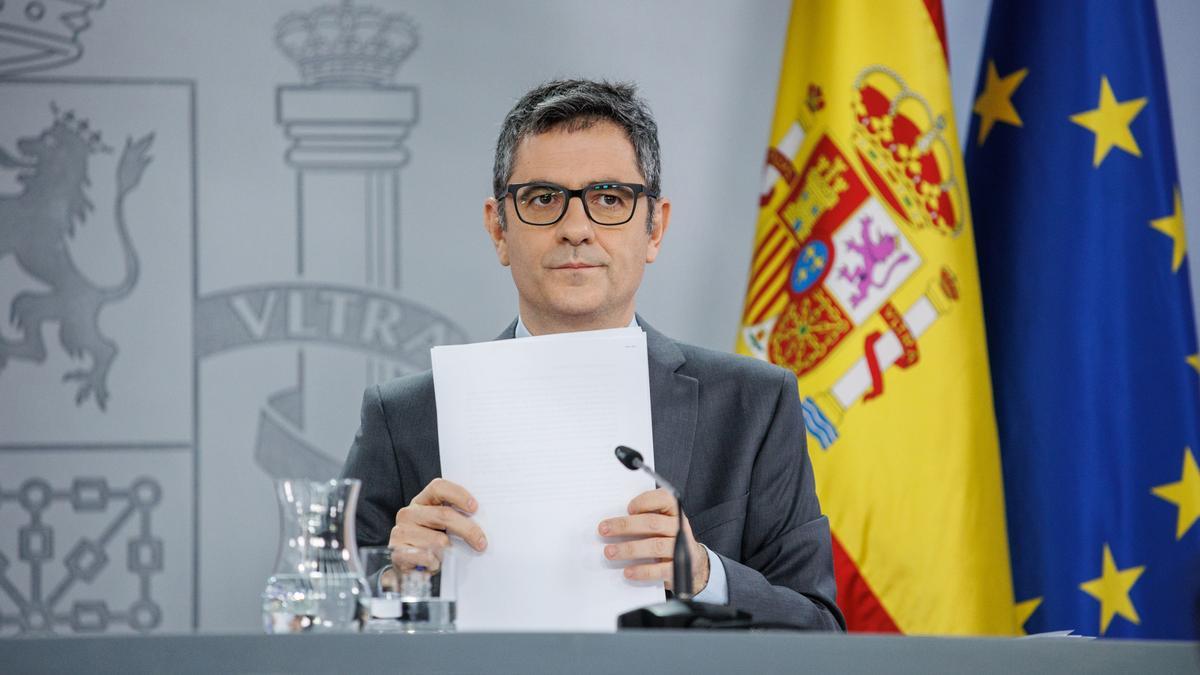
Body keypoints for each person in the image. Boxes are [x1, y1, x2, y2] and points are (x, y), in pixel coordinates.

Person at [341, 79, 844, 630]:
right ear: (498, 229)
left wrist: (702, 574)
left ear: (655, 227)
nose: (575, 228)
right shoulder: (405, 418)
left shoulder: (754, 405)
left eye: (609, 199)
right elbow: (325, 633)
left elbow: (819, 629)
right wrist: (395, 585)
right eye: (542, 199)